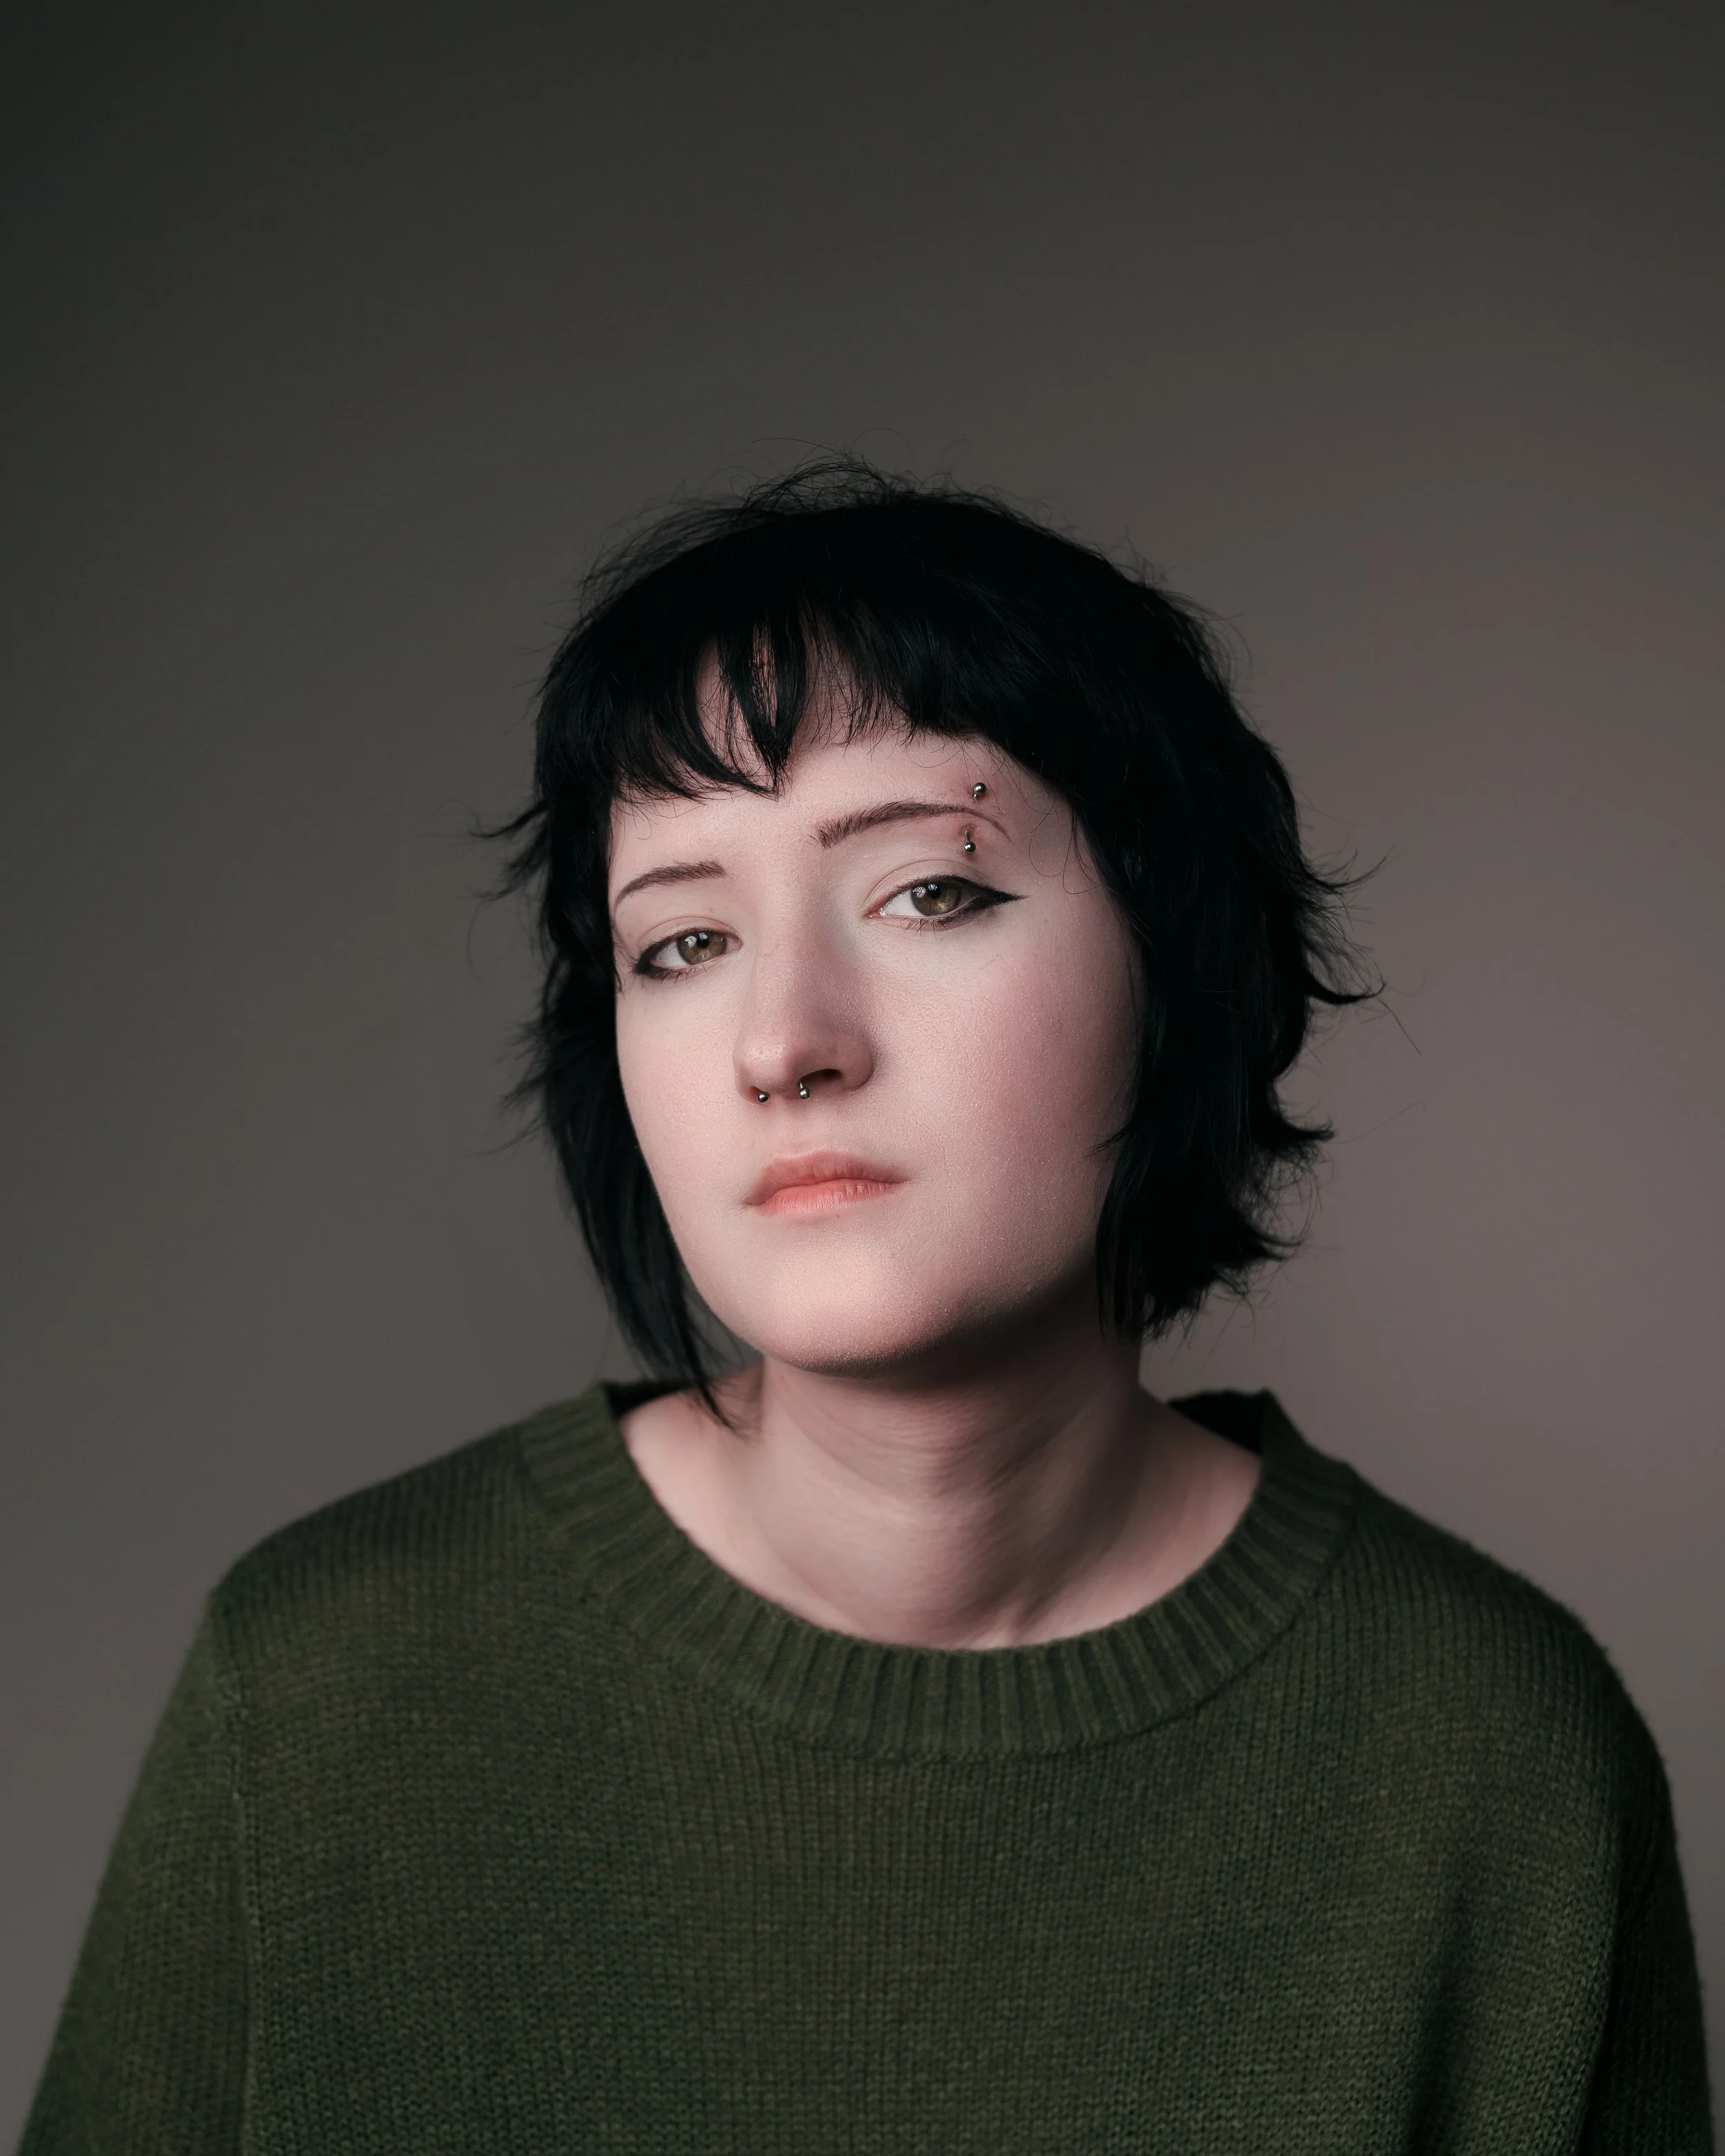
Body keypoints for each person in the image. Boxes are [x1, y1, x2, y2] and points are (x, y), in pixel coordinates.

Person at [23, 461, 1712, 2153]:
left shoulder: (1495, 1754)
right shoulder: (319, 1686)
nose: (785, 1039)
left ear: (1177, 961)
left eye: (929, 891)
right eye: (680, 941)